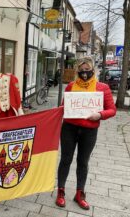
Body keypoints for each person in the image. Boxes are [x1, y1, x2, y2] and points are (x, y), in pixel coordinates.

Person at [55, 56, 116, 210]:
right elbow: (64, 107)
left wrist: (100, 115)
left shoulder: (102, 87)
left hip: (89, 130)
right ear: (77, 71)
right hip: (69, 128)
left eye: (87, 70)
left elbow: (112, 110)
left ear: (92, 70)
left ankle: (79, 193)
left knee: (83, 161)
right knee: (65, 159)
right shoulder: (70, 86)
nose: (84, 73)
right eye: (81, 70)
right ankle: (60, 191)